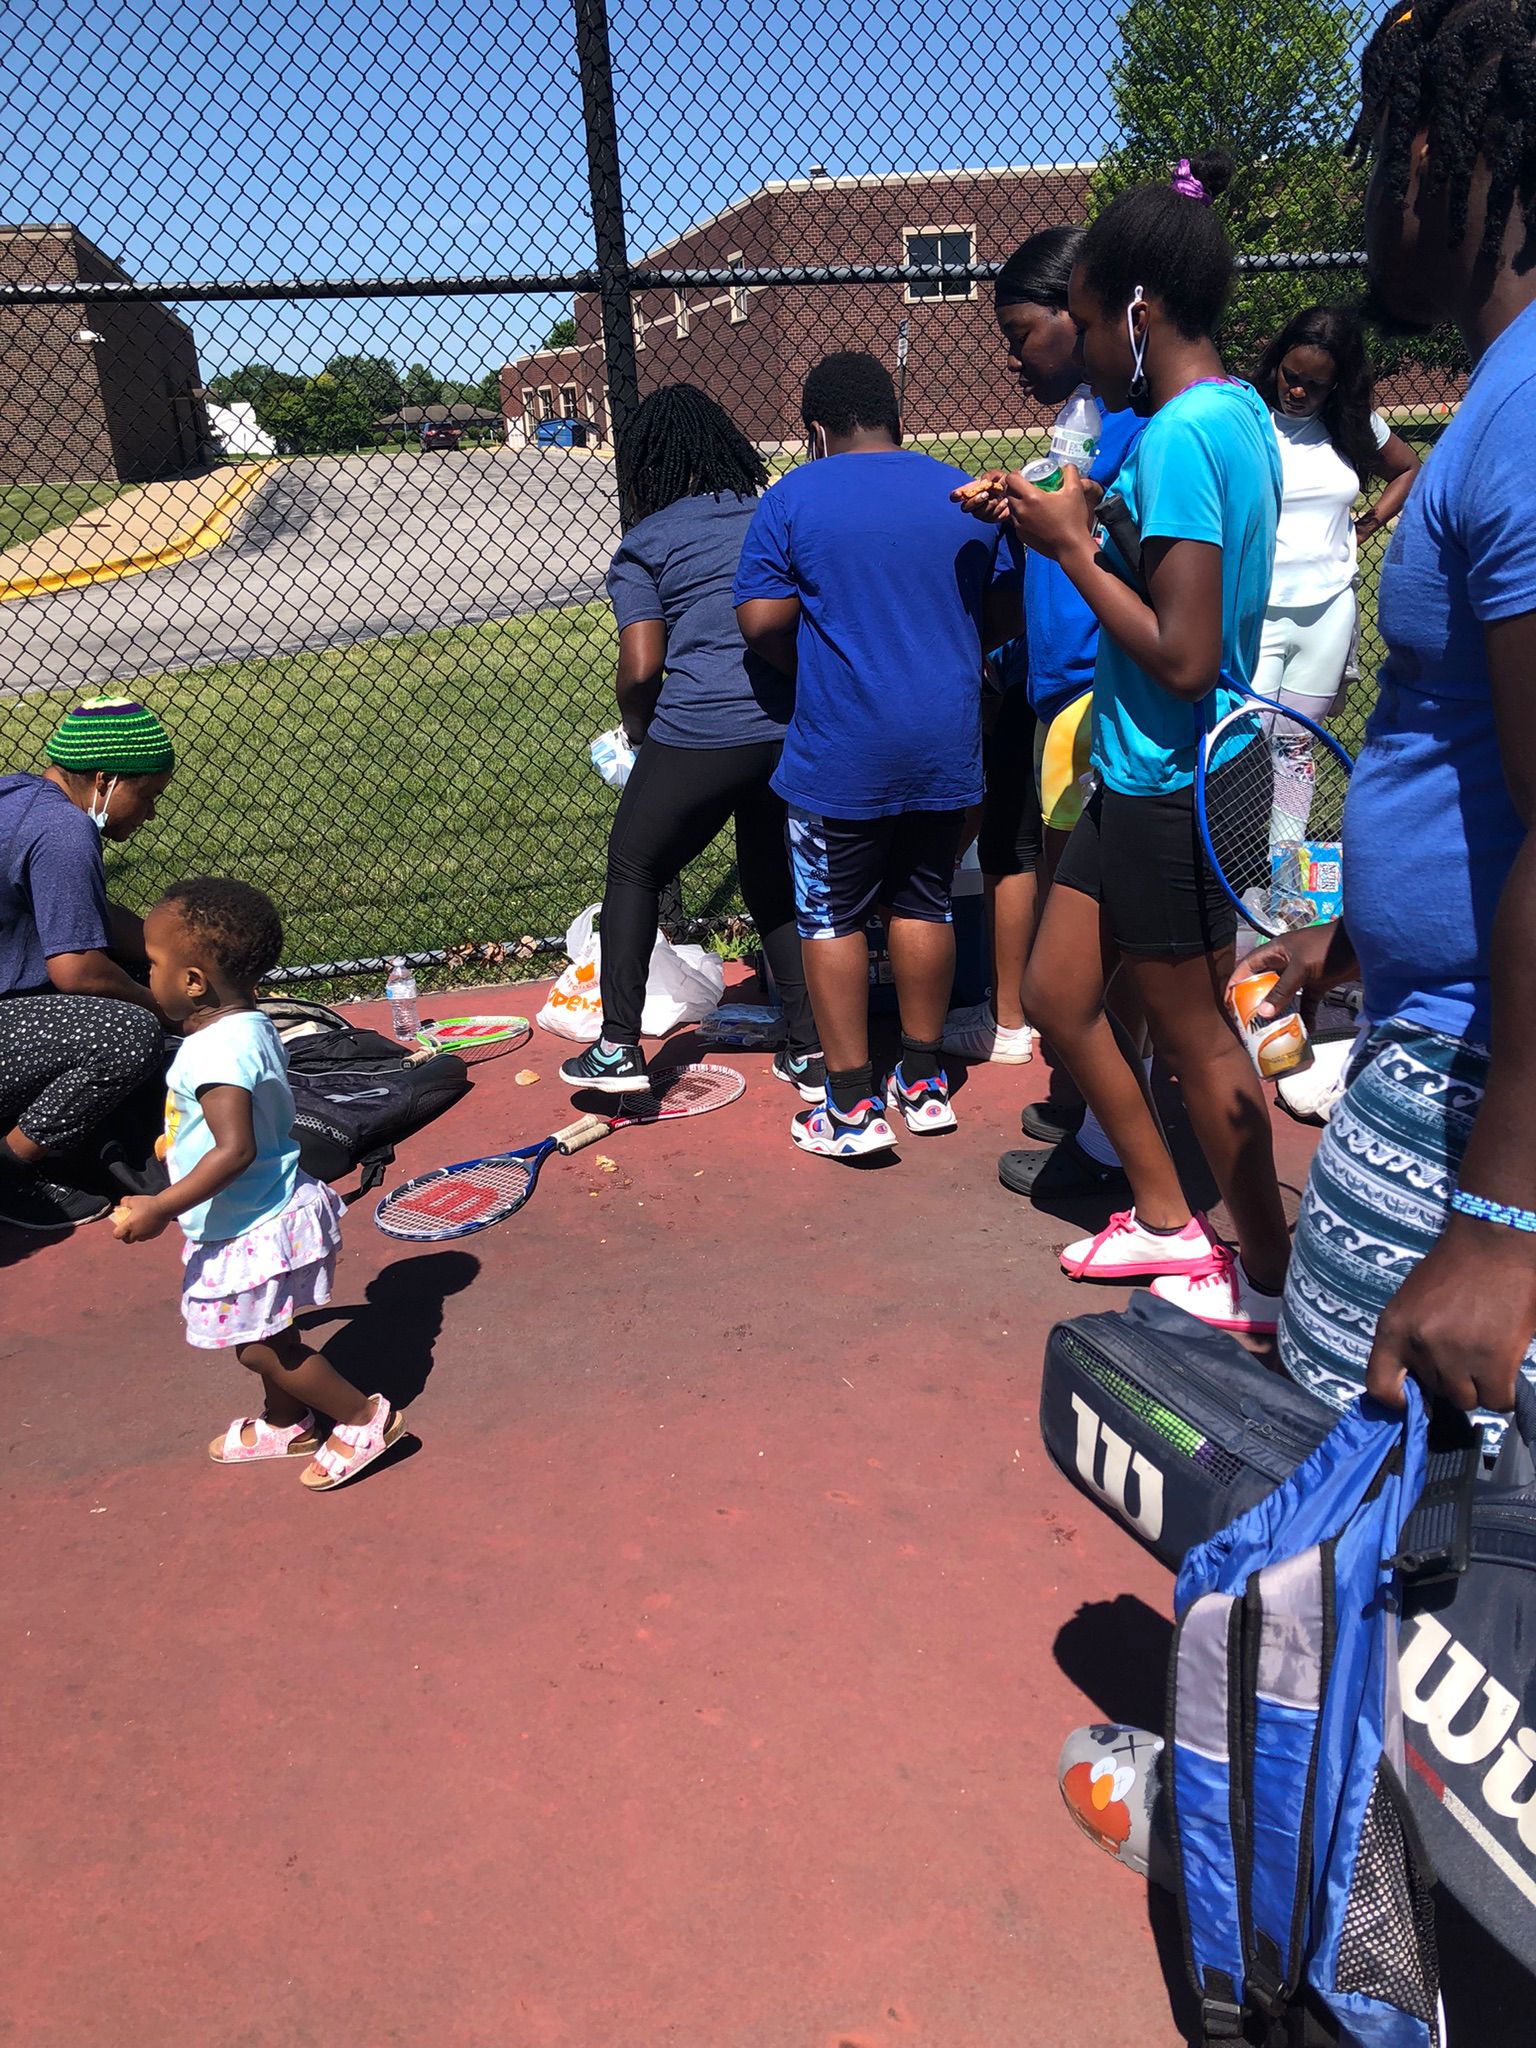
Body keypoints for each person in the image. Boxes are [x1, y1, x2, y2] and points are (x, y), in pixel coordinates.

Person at [1250, 0, 1536, 1432]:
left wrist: (1499, 1221)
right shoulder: (1505, 392)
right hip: (1441, 1036)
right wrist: (1357, 936)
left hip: (1483, 1093)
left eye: (1377, 157)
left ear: (1436, 156)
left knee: (1375, 1508)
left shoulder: (1530, 413)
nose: (1368, 195)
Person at [979, 152, 1292, 1333]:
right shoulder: (1237, 412)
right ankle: (1167, 1218)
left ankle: (1267, 1278)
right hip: (1138, 764)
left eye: (1087, 318)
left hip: (1174, 772)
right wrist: (1079, 518)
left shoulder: (1177, 436)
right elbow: (1174, 575)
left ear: (1138, 313)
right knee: (1060, 995)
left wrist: (1068, 548)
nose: (1087, 352)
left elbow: (1185, 652)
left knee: (1195, 1034)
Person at [734, 351, 1005, 1157]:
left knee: (831, 915)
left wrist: (816, 663)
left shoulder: (792, 497)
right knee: (926, 900)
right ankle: (922, 1082)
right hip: (945, 740)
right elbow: (1005, 609)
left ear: (816, 430)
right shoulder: (963, 492)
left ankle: (850, 1104)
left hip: (842, 745)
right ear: (895, 417)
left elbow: (761, 621)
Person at [558, 385, 819, 1098]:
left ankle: (618, 1047)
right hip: (792, 724)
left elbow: (641, 668)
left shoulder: (647, 542)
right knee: (774, 881)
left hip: (700, 728)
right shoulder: (776, 511)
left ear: (649, 465)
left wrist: (639, 730)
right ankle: (811, 1049)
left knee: (634, 864)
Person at [111, 877, 404, 1490]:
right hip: (270, 1204)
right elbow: (235, 1125)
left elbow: (235, 1149)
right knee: (269, 1328)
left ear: (194, 981)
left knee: (261, 1347)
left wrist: (160, 1206)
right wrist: (179, 1143)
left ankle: (362, 1419)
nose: (148, 973)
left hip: (252, 1224)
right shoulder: (247, 1024)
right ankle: (287, 1420)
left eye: (154, 963)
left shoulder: (213, 1052)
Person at [942, 226, 1145, 1080]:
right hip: (1057, 689)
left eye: (1024, 334)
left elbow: (1094, 524)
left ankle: (1093, 1080)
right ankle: (1082, 1081)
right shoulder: (1082, 417)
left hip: (1099, 693)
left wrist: (1034, 500)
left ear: (1083, 314)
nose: (1013, 357)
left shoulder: (1136, 421)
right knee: (1066, 889)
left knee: (1082, 912)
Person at [0, 697, 173, 1231]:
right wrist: (169, 1007)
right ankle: (9, 1170)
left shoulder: (21, 797)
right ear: (106, 781)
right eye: (147, 796)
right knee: (130, 1033)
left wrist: (175, 959)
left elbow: (91, 914)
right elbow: (77, 970)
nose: (149, 813)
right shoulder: (64, 832)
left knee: (140, 977)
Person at [1251, 304, 1420, 846]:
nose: (1297, 391)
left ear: (1338, 386)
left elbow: (1408, 469)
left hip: (1327, 613)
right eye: (1290, 376)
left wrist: (1364, 526)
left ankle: (1284, 872)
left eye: (1315, 385)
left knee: (1295, 746)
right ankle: (1232, 864)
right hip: (1256, 612)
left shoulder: (1353, 425)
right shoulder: (1247, 418)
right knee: (1245, 743)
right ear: (1277, 364)